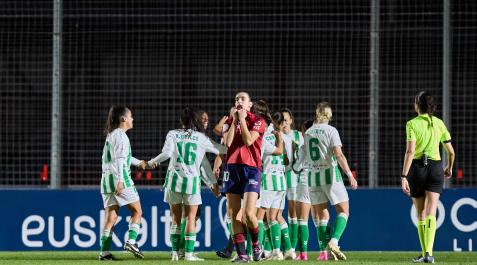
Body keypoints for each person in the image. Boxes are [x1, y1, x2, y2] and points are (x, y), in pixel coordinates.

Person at [148, 107, 225, 261]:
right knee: (190, 218)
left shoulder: (173, 134)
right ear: (195, 121)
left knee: (175, 219)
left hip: (173, 181)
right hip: (191, 182)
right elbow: (220, 149)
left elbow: (167, 154)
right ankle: (189, 254)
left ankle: (175, 254)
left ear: (181, 121)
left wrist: (152, 162)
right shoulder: (200, 138)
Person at [293, 102, 358, 261]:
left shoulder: (308, 132)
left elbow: (302, 157)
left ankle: (326, 253)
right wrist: (349, 174)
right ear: (329, 116)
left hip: (312, 176)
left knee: (321, 215)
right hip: (330, 174)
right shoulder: (331, 130)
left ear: (316, 115)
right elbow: (339, 155)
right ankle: (334, 242)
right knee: (343, 211)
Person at [400, 91, 455, 264]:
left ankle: (426, 253)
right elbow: (451, 152)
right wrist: (449, 168)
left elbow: (410, 151)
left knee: (421, 213)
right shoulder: (439, 123)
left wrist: (403, 176)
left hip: (417, 168)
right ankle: (428, 254)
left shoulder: (412, 124)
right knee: (432, 211)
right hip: (436, 168)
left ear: (417, 105)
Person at [222, 92, 268, 262]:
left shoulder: (258, 121)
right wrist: (234, 120)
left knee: (249, 213)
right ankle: (242, 255)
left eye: (242, 99)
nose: (239, 101)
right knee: (234, 214)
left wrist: (241, 119)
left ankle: (256, 246)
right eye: (236, 99)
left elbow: (249, 141)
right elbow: (227, 143)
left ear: (249, 105)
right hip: (232, 168)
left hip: (251, 169)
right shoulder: (229, 120)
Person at [99, 106, 147, 260]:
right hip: (120, 179)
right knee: (137, 211)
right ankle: (131, 241)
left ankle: (104, 253)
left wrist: (139, 162)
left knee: (111, 217)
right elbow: (120, 160)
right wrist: (120, 181)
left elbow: (122, 157)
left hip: (106, 180)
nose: (133, 119)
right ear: (123, 119)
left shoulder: (111, 135)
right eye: (131, 116)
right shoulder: (121, 136)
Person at [279, 108, 303, 251]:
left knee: (294, 211)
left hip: (295, 176)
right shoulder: (277, 136)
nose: (285, 123)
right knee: (276, 213)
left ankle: (292, 246)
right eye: (282, 120)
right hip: (279, 176)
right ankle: (278, 247)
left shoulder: (299, 136)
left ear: (291, 121)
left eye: (287, 120)